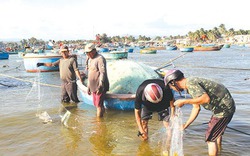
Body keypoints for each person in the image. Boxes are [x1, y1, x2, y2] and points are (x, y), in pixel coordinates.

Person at [164, 69, 236, 156]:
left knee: (210, 139)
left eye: (171, 87)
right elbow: (196, 108)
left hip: (223, 110)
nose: (173, 89)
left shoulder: (191, 83)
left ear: (173, 82)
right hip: (224, 108)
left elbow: (206, 99)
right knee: (216, 134)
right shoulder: (190, 84)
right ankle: (219, 151)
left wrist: (184, 101)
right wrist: (186, 125)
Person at [84, 43, 109, 118]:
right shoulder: (90, 59)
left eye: (89, 52)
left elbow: (102, 73)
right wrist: (88, 86)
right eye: (87, 53)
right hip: (92, 85)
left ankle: (99, 123)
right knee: (97, 104)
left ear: (94, 50)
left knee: (98, 105)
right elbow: (90, 73)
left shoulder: (100, 58)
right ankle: (102, 119)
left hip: (99, 85)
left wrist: (101, 85)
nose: (88, 54)